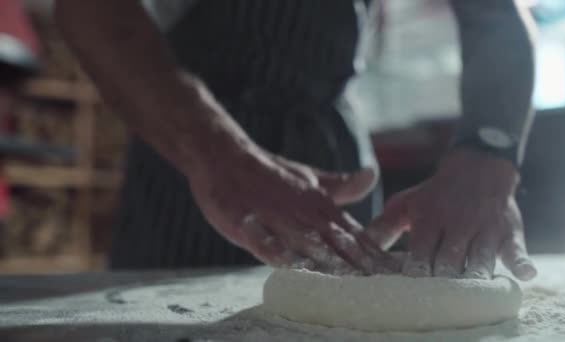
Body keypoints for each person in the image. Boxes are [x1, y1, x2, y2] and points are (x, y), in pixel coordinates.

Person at [54, 0, 537, 280]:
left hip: (335, 159)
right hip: (191, 162)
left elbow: (495, 18)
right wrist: (219, 155)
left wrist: (489, 153)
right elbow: (91, 10)